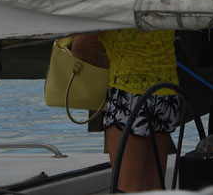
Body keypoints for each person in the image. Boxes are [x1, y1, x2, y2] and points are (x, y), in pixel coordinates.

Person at [70, 30, 180, 193]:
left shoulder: (112, 4)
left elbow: (80, 49)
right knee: (154, 187)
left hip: (128, 94)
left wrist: (102, 57)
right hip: (166, 94)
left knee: (127, 188)